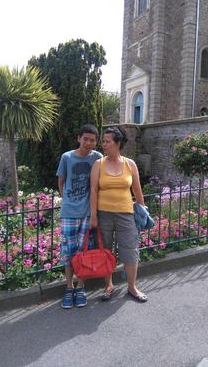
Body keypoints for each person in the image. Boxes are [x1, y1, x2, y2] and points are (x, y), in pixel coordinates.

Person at [90, 126, 147, 302]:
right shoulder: (98, 164)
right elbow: (93, 191)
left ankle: (132, 287)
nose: (104, 145)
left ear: (118, 143)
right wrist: (93, 216)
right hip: (104, 214)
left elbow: (137, 191)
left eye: (107, 141)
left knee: (130, 251)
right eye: (103, 141)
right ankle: (108, 285)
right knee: (105, 251)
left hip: (126, 214)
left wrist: (143, 213)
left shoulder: (130, 164)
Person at [56, 123, 102, 309]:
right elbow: (61, 181)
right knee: (68, 252)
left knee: (84, 252)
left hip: (87, 213)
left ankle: (81, 286)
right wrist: (68, 198)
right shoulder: (67, 157)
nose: (89, 143)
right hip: (69, 212)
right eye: (85, 139)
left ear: (96, 141)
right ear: (79, 138)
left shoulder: (97, 158)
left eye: (92, 140)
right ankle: (69, 287)